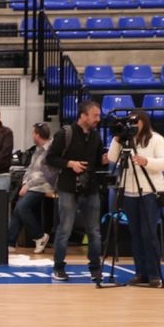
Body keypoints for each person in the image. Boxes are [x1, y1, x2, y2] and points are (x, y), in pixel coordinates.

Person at [106, 109, 164, 287]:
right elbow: (112, 157)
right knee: (135, 235)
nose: (134, 125)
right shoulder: (125, 139)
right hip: (129, 192)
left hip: (149, 191)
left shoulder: (156, 139)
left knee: (148, 234)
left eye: (137, 121)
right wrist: (117, 138)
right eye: (131, 122)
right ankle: (140, 273)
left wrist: (146, 161)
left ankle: (154, 274)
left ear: (144, 122)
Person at [46, 99, 104, 283]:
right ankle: (58, 267)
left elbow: (97, 160)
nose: (98, 119)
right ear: (83, 115)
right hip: (68, 187)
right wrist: (70, 164)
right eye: (95, 115)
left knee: (94, 231)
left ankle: (95, 268)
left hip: (91, 187)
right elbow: (51, 158)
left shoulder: (96, 136)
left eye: (99, 115)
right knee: (65, 229)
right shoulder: (65, 133)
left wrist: (107, 158)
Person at [7, 122, 56, 254]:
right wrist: (24, 183)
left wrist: (28, 185)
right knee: (18, 207)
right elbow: (30, 169)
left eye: (33, 133)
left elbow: (46, 175)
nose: (32, 135)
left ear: (38, 135)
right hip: (32, 185)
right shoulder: (37, 149)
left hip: (44, 186)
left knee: (22, 207)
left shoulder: (51, 150)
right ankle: (10, 243)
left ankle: (39, 236)